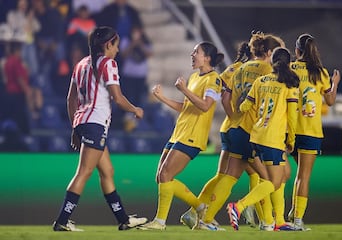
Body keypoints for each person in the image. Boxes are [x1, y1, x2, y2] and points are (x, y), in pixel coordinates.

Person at [52, 26, 147, 231]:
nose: (118, 50)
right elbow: (117, 97)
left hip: (85, 122)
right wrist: (135, 109)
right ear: (107, 45)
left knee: (107, 171)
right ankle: (61, 220)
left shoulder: (81, 64)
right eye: (116, 45)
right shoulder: (108, 64)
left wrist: (75, 127)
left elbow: (71, 99)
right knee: (84, 172)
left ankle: (123, 219)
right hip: (96, 123)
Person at [137, 41, 224, 230]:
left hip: (193, 135)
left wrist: (184, 90)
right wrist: (162, 98)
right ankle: (200, 207)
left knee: (166, 174)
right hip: (179, 133)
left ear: (207, 58)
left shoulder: (214, 79)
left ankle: (160, 222)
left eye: (196, 52)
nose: (192, 55)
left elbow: (205, 106)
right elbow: (186, 107)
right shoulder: (194, 77)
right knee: (161, 177)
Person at [179, 41, 257, 230]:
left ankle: (194, 211)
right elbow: (224, 96)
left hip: (227, 128)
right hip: (243, 128)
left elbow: (221, 90)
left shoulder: (232, 69)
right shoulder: (256, 70)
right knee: (249, 174)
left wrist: (231, 118)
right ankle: (249, 211)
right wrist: (236, 118)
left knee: (222, 175)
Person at [226, 47, 300, 231]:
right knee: (273, 182)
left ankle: (277, 221)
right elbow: (292, 117)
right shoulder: (288, 84)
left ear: (272, 62)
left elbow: (244, 107)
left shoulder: (260, 81)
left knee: (282, 175)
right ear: (288, 63)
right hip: (272, 138)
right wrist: (291, 139)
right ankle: (239, 206)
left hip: (256, 135)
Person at [287, 33, 341, 231]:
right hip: (310, 131)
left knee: (280, 173)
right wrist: (335, 82)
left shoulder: (289, 68)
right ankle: (298, 220)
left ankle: (282, 215)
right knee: (303, 176)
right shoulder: (321, 73)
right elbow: (330, 101)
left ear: (297, 51)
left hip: (288, 130)